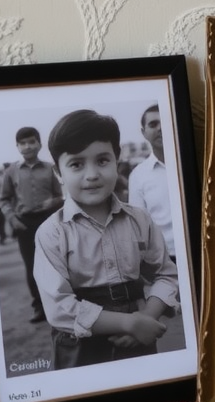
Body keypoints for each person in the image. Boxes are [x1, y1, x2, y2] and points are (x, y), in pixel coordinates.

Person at [33, 109, 179, 370]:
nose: (92, 174)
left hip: (139, 341)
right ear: (58, 172)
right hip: (79, 349)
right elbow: (59, 307)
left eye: (102, 160)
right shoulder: (51, 233)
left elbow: (167, 275)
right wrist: (129, 323)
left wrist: (146, 317)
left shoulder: (140, 220)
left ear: (117, 160)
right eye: (76, 164)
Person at [0, 127, 63, 324]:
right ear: (17, 147)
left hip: (49, 221)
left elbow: (61, 196)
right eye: (23, 143)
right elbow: (4, 199)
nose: (27, 146)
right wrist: (14, 220)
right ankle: (39, 307)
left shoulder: (51, 168)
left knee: (55, 263)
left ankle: (60, 305)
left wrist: (52, 203)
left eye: (31, 142)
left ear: (39, 144)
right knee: (31, 266)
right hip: (24, 224)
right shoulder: (11, 171)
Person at [127, 103, 175, 260]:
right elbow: (139, 227)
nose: (160, 128)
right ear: (144, 133)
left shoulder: (195, 163)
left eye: (165, 121)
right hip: (166, 260)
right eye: (153, 124)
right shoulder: (138, 176)